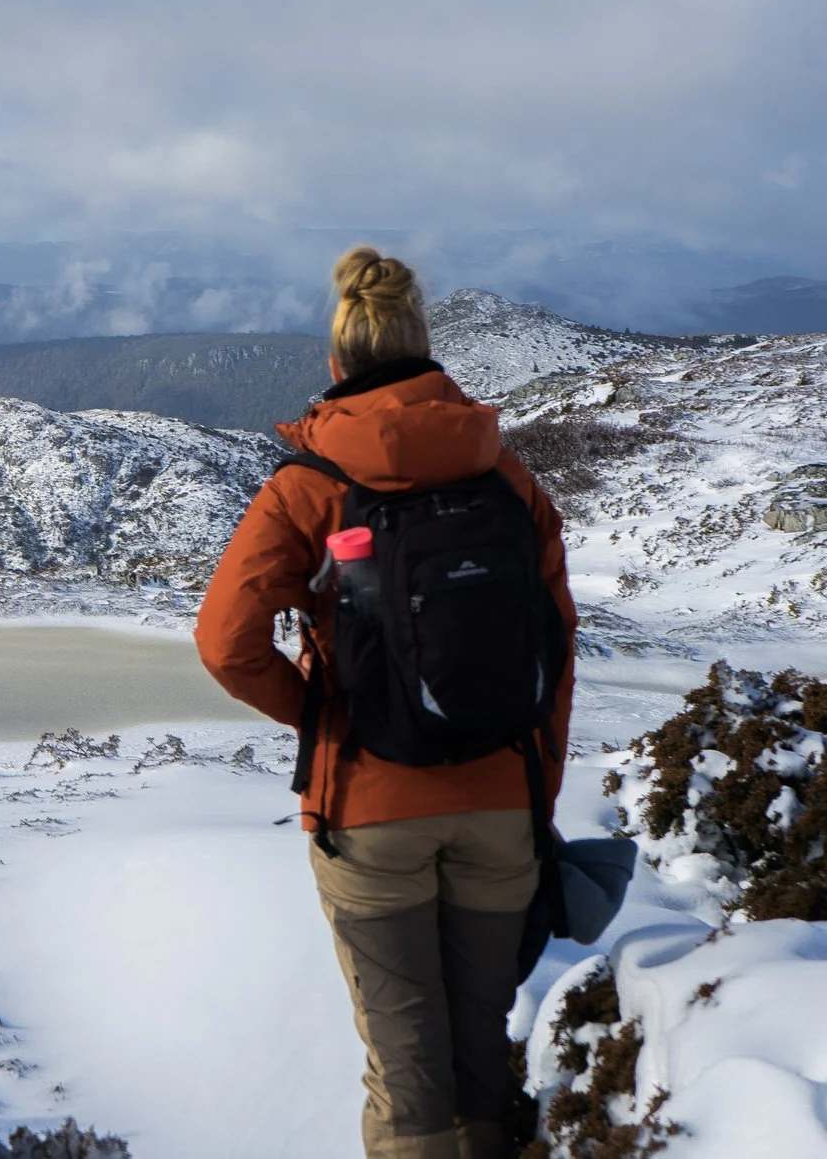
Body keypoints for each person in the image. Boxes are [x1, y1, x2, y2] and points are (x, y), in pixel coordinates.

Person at [195, 247, 577, 1159]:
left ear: (336, 368)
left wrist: (324, 718)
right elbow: (556, 650)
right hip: (500, 807)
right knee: (486, 1057)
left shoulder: (309, 488)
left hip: (371, 808)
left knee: (409, 1081)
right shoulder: (508, 480)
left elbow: (224, 642)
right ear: (428, 352)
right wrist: (535, 797)